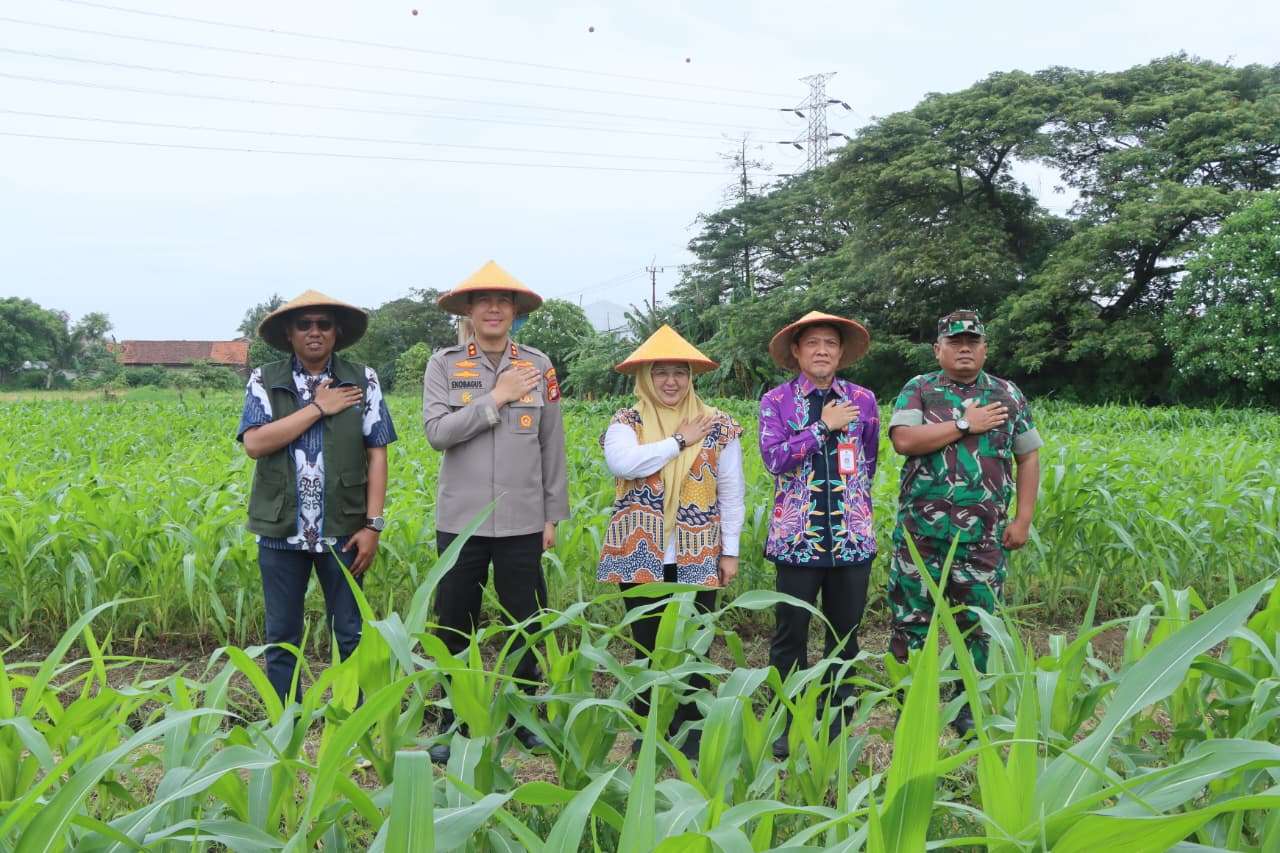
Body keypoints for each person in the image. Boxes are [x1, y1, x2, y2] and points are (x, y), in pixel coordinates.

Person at [423, 260, 569, 763]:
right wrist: (496, 399)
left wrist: (552, 516)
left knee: (527, 621)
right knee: (454, 622)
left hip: (523, 519)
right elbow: (437, 433)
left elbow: (553, 445)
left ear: (514, 311)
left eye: (503, 301)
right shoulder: (443, 364)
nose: (492, 308)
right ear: (468, 309)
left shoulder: (539, 365)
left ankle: (527, 715)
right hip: (460, 522)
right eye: (483, 300)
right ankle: (451, 716)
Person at [237, 290, 397, 706]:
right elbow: (254, 443)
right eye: (304, 325)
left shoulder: (363, 380)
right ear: (289, 334)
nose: (314, 332)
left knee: (350, 630)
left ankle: (352, 722)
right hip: (280, 530)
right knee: (282, 635)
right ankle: (283, 724)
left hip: (344, 530)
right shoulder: (263, 379)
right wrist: (317, 407)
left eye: (323, 324)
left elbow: (376, 452)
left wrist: (373, 525)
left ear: (336, 333)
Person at [887, 309, 1043, 736]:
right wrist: (963, 424)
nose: (964, 349)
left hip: (982, 536)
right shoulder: (919, 389)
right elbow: (904, 440)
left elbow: (1028, 455)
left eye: (972, 342)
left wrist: (1024, 518)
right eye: (954, 343)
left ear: (984, 348)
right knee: (910, 619)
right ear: (938, 349)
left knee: (975, 621)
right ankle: (910, 701)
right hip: (921, 535)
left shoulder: (1007, 394)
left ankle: (966, 704)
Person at [597, 325, 744, 760]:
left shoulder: (718, 426)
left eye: (679, 372)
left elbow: (731, 490)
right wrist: (680, 440)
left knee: (695, 639)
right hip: (640, 551)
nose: (671, 382)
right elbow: (623, 462)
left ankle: (693, 725)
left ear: (690, 377)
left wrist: (730, 550)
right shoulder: (628, 421)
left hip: (698, 549)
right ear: (645, 377)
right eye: (660, 372)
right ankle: (651, 724)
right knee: (647, 641)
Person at [758, 311, 878, 759]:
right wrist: (821, 426)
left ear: (841, 352)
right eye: (812, 343)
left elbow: (868, 462)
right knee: (791, 635)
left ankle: (837, 726)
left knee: (846, 635)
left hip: (851, 538)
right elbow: (775, 460)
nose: (822, 350)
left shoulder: (864, 400)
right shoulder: (776, 401)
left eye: (830, 343)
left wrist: (855, 512)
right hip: (796, 540)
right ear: (796, 352)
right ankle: (788, 722)